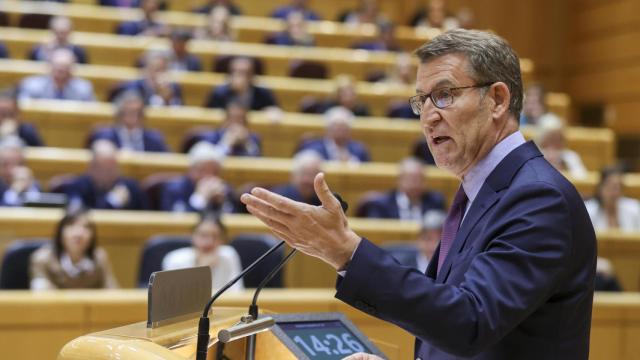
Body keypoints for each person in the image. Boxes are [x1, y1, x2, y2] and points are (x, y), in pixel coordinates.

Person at [241, 29, 596, 359]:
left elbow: (470, 322)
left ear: (498, 100)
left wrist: (348, 253)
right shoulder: (483, 190)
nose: (428, 118)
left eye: (444, 96)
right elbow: (455, 324)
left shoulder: (538, 197)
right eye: (422, 101)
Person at [30, 208, 119, 290]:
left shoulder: (99, 258)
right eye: (71, 226)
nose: (79, 233)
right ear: (61, 232)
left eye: (86, 227)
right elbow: (41, 298)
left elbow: (113, 294)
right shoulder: (42, 260)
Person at [162, 213, 244, 292]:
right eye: (203, 235)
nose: (209, 242)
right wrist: (201, 270)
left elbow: (237, 292)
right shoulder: (174, 260)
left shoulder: (229, 255)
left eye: (215, 236)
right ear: (192, 236)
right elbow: (173, 299)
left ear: (223, 240)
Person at [64, 139, 148, 210]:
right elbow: (78, 216)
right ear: (92, 168)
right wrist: (112, 202)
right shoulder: (77, 187)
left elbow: (147, 217)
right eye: (105, 169)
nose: (110, 174)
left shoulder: (132, 188)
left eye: (113, 168)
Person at [161, 141, 237, 213]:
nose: (209, 176)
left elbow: (235, 220)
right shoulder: (175, 189)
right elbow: (176, 222)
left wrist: (222, 204)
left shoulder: (226, 190)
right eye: (203, 171)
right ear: (191, 170)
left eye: (214, 172)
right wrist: (199, 199)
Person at [361, 157, 445, 220]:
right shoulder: (382, 205)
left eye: (420, 179)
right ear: (399, 180)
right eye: (411, 179)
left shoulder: (435, 202)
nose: (416, 184)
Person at [87, 91, 169, 152]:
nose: (133, 117)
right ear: (119, 114)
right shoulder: (104, 137)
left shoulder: (154, 139)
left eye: (137, 113)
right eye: (128, 112)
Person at [183, 101, 261, 156]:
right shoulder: (211, 137)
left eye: (241, 119)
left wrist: (246, 144)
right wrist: (226, 144)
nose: (237, 123)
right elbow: (210, 162)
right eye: (233, 119)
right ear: (225, 121)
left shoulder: (253, 139)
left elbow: (258, 162)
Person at [296, 106, 370, 163]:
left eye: (344, 128)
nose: (340, 132)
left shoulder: (359, 150)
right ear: (328, 129)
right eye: (337, 127)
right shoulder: (313, 148)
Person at [18, 48, 96, 102]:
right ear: (50, 67)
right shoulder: (32, 86)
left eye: (65, 68)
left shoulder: (84, 89)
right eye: (58, 69)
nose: (61, 74)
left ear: (72, 70)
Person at [204, 56, 279, 110]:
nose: (238, 76)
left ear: (252, 76)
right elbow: (208, 114)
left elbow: (275, 110)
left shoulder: (263, 93)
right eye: (234, 72)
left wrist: (271, 111)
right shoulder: (219, 93)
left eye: (243, 73)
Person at [584, 165, 640, 232]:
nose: (614, 193)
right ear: (600, 188)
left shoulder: (634, 208)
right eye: (610, 187)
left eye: (618, 188)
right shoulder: (588, 211)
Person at [119, 51, 184, 106]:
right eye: (157, 70)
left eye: (164, 70)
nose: (161, 75)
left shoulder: (174, 88)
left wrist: (167, 100)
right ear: (147, 70)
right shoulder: (135, 88)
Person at [535, 114, 587, 179]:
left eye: (558, 139)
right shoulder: (533, 155)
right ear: (542, 139)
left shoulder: (570, 156)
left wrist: (563, 167)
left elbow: (582, 180)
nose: (555, 142)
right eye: (551, 139)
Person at [0, 136, 41, 206]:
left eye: (17, 164)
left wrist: (30, 189)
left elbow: (40, 210)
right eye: (5, 165)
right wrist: (13, 191)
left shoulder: (33, 184)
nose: (10, 170)